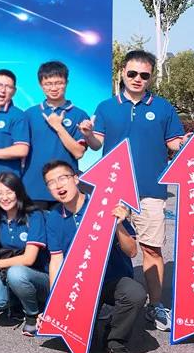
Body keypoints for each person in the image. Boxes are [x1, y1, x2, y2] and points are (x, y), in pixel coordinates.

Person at [79, 49, 187, 332]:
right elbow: (95, 144)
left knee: (151, 249)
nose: (138, 79)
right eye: (132, 73)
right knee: (104, 249)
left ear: (151, 77)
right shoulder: (106, 107)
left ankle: (156, 305)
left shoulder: (163, 107)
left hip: (151, 191)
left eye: (144, 75)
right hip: (113, 192)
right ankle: (96, 302)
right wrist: (88, 134)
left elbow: (174, 142)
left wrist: (187, 143)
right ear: (122, 73)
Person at [43, 160, 145, 353]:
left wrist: (119, 226)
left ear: (76, 179)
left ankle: (116, 341)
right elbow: (56, 260)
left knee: (135, 294)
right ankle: (97, 322)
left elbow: (132, 251)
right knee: (85, 343)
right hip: (80, 286)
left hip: (112, 280)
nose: (58, 185)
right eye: (51, 182)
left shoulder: (104, 204)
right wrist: (54, 304)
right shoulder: (53, 217)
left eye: (62, 178)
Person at [0, 172, 49, 336]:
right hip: (8, 274)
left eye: (9, 192)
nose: (4, 197)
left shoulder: (34, 216)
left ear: (18, 192)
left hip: (39, 276)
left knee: (17, 273)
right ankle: (20, 300)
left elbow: (29, 258)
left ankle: (32, 315)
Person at [22, 61, 88, 209]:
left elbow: (78, 152)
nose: (53, 88)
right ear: (41, 85)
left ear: (66, 82)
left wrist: (58, 127)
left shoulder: (79, 115)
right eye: (48, 84)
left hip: (65, 189)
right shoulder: (29, 114)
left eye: (58, 83)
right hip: (32, 188)